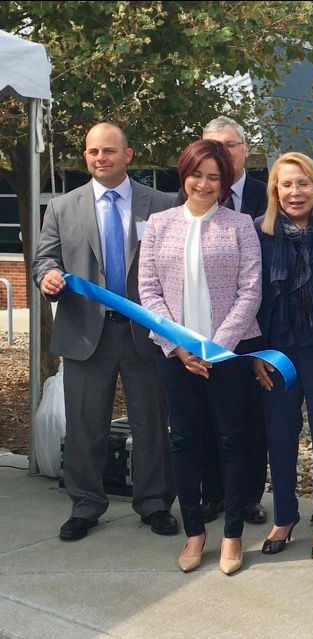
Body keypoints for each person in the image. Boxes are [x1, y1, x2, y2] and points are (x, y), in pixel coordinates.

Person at [33, 122, 177, 542]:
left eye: (109, 151)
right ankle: (84, 504)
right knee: (84, 425)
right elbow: (45, 259)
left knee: (151, 423)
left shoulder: (162, 204)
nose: (100, 159)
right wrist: (48, 277)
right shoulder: (62, 207)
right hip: (84, 333)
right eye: (93, 152)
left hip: (144, 333)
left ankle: (154, 503)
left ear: (128, 156)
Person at [139, 139, 262, 576]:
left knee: (232, 441)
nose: (204, 183)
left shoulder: (241, 225)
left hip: (227, 356)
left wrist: (215, 347)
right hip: (175, 356)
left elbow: (250, 291)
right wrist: (180, 346)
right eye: (197, 174)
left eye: (214, 176)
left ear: (224, 181)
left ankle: (231, 535)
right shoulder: (158, 224)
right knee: (184, 441)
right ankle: (195, 532)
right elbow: (148, 291)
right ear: (183, 174)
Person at [252, 152, 313, 561]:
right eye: (287, 184)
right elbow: (251, 292)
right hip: (277, 351)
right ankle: (285, 516)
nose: (295, 192)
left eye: (303, 183)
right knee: (280, 438)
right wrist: (255, 353)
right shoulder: (260, 232)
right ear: (275, 190)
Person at [175, 115, 269, 526]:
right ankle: (211, 494)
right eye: (212, 145)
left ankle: (247, 497)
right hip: (190, 335)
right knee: (202, 423)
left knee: (247, 422)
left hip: (253, 331)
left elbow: (256, 283)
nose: (223, 152)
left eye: (230, 145)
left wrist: (225, 340)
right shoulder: (173, 212)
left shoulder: (271, 198)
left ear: (245, 149)